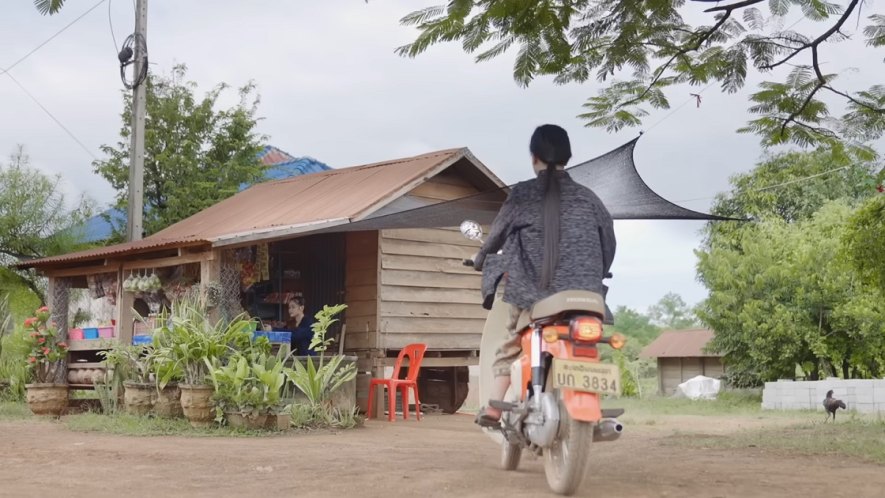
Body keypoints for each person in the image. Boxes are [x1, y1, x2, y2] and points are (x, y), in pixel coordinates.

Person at [473, 124, 616, 426]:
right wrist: (597, 273)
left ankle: (494, 409)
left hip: (535, 295)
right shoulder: (588, 198)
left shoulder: (523, 194)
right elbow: (609, 243)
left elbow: (496, 237)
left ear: (534, 156)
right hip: (587, 296)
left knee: (512, 340)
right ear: (568, 156)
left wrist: (480, 259)